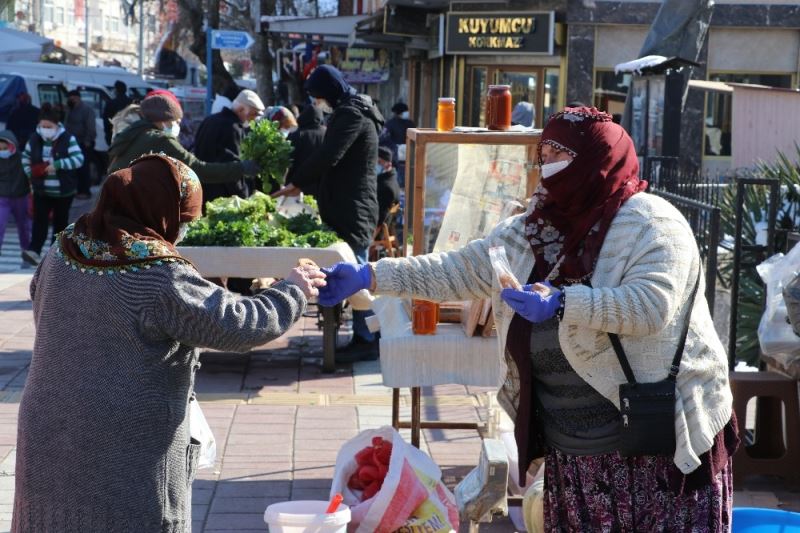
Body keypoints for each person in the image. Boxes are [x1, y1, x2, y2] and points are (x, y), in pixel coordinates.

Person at [318, 107, 738, 531]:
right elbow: (458, 270)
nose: (548, 162)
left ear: (599, 157)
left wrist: (563, 303)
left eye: (562, 152)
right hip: (573, 447)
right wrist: (372, 274)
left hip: (655, 440)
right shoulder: (533, 226)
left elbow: (651, 306)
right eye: (545, 151)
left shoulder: (653, 222)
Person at [11, 153, 326, 532]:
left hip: (47, 427)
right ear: (162, 211)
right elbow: (239, 325)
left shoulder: (63, 250)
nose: (183, 231)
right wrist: (291, 291)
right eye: (186, 219)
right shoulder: (159, 277)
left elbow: (40, 301)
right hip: (122, 448)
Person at [278, 65, 384, 359]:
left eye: (318, 97)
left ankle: (368, 340)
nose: (317, 104)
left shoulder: (352, 114)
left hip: (353, 207)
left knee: (359, 273)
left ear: (330, 92)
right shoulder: (355, 109)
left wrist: (297, 181)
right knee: (355, 270)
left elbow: (330, 155)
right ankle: (365, 335)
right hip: (350, 203)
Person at [107, 90, 259, 186]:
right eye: (177, 121)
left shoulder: (135, 132)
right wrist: (242, 168)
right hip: (129, 208)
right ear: (164, 119)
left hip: (115, 202)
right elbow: (198, 170)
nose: (178, 126)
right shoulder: (160, 140)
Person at [21, 104, 84, 266]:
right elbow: (25, 158)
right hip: (41, 190)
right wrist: (31, 173)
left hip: (63, 191)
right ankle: (34, 250)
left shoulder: (68, 138)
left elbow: (79, 159)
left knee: (60, 222)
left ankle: (55, 254)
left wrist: (58, 164)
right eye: (43, 126)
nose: (45, 129)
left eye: (49, 127)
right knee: (39, 221)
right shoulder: (34, 138)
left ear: (57, 125)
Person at [193, 89, 265, 204]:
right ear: (241, 109)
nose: (253, 119)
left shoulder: (210, 119)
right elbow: (232, 168)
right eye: (253, 114)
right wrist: (243, 196)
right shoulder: (232, 127)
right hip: (221, 196)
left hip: (201, 189)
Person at [0, 130, 31, 256]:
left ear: (12, 145)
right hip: (2, 198)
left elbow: (30, 175)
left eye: (4, 147)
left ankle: (26, 251)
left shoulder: (23, 158)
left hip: (21, 197)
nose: (2, 151)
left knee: (24, 227)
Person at [285, 104, 326, 196]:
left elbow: (286, 160)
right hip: (323, 187)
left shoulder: (297, 135)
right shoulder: (329, 133)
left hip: (298, 187)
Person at [65, 89, 97, 199]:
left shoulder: (86, 109)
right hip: (70, 142)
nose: (70, 100)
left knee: (83, 168)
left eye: (72, 98)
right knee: (74, 168)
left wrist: (87, 141)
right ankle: (77, 190)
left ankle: (85, 191)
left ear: (77, 98)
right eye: (69, 99)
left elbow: (91, 127)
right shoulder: (69, 109)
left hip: (83, 143)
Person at [102, 80, 132, 147]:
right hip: (130, 136)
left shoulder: (111, 103)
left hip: (115, 135)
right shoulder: (132, 103)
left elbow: (106, 121)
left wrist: (108, 136)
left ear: (116, 90)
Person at [376, 145, 400, 227]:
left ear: (388, 165)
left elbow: (379, 218)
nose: (375, 165)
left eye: (379, 162)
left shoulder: (386, 187)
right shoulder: (390, 179)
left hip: (376, 232)